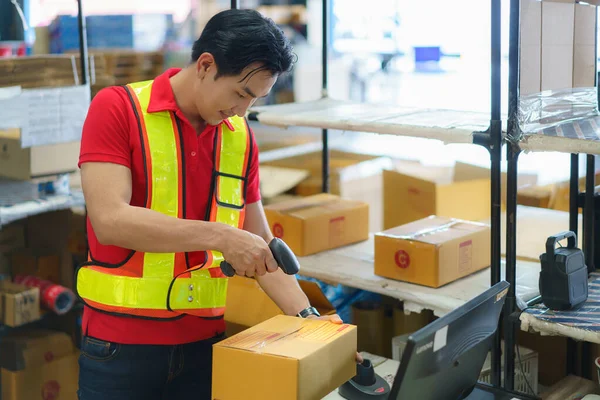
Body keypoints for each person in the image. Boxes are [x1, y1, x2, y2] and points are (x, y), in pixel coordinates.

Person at [75, 8, 358, 400]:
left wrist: (314, 324)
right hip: (120, 349)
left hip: (206, 349)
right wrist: (223, 237)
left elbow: (260, 248)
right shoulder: (119, 108)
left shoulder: (239, 137)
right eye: (241, 93)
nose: (243, 111)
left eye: (255, 99)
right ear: (206, 65)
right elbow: (110, 220)